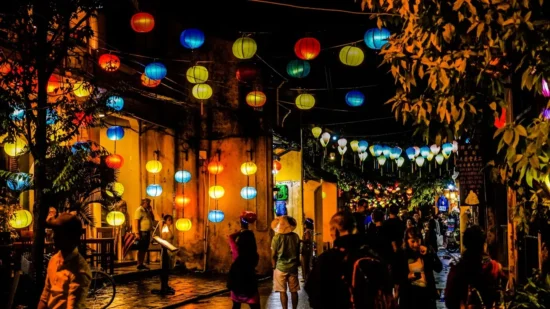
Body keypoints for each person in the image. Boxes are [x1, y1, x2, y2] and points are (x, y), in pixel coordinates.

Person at [305, 211, 393, 309]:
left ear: (335, 231)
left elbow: (313, 292)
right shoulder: (372, 254)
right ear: (354, 229)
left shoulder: (326, 260)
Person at [445, 226, 506, 309]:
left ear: (465, 244)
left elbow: (449, 300)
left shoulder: (457, 270)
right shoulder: (495, 267)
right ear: (484, 244)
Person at [39, 213, 91, 309]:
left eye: (59, 234)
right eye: (54, 232)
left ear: (71, 237)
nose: (54, 237)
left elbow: (73, 306)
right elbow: (44, 297)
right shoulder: (53, 260)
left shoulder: (79, 272)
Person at [394, 227, 442, 309]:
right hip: (409, 297)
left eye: (418, 240)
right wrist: (407, 277)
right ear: (406, 241)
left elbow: (438, 268)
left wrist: (430, 253)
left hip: (427, 297)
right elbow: (395, 276)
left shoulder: (426, 249)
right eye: (412, 241)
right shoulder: (401, 254)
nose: (416, 244)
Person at [228, 211, 260, 309]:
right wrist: (246, 231)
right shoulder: (253, 256)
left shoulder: (237, 252)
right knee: (255, 307)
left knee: (236, 306)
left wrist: (242, 230)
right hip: (249, 284)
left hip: (236, 282)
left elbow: (230, 237)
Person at [271, 215, 301, 309]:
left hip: (280, 267)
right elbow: (297, 252)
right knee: (294, 291)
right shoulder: (295, 236)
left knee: (282, 291)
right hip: (293, 267)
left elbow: (273, 255)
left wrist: (273, 266)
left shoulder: (276, 238)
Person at [157, 214, 177, 295]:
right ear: (165, 221)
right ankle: (164, 285)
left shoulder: (168, 227)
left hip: (170, 249)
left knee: (168, 268)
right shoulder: (165, 228)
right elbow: (164, 237)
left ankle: (166, 284)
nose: (171, 221)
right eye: (169, 219)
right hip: (166, 250)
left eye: (171, 219)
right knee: (165, 268)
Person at [133, 198, 155, 270]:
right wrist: (137, 232)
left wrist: (151, 211)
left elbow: (152, 218)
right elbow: (136, 221)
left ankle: (141, 263)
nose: (148, 204)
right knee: (141, 248)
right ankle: (139, 263)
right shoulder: (139, 210)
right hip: (142, 232)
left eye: (149, 203)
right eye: (147, 203)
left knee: (145, 248)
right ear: (143, 203)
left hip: (147, 231)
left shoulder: (147, 210)